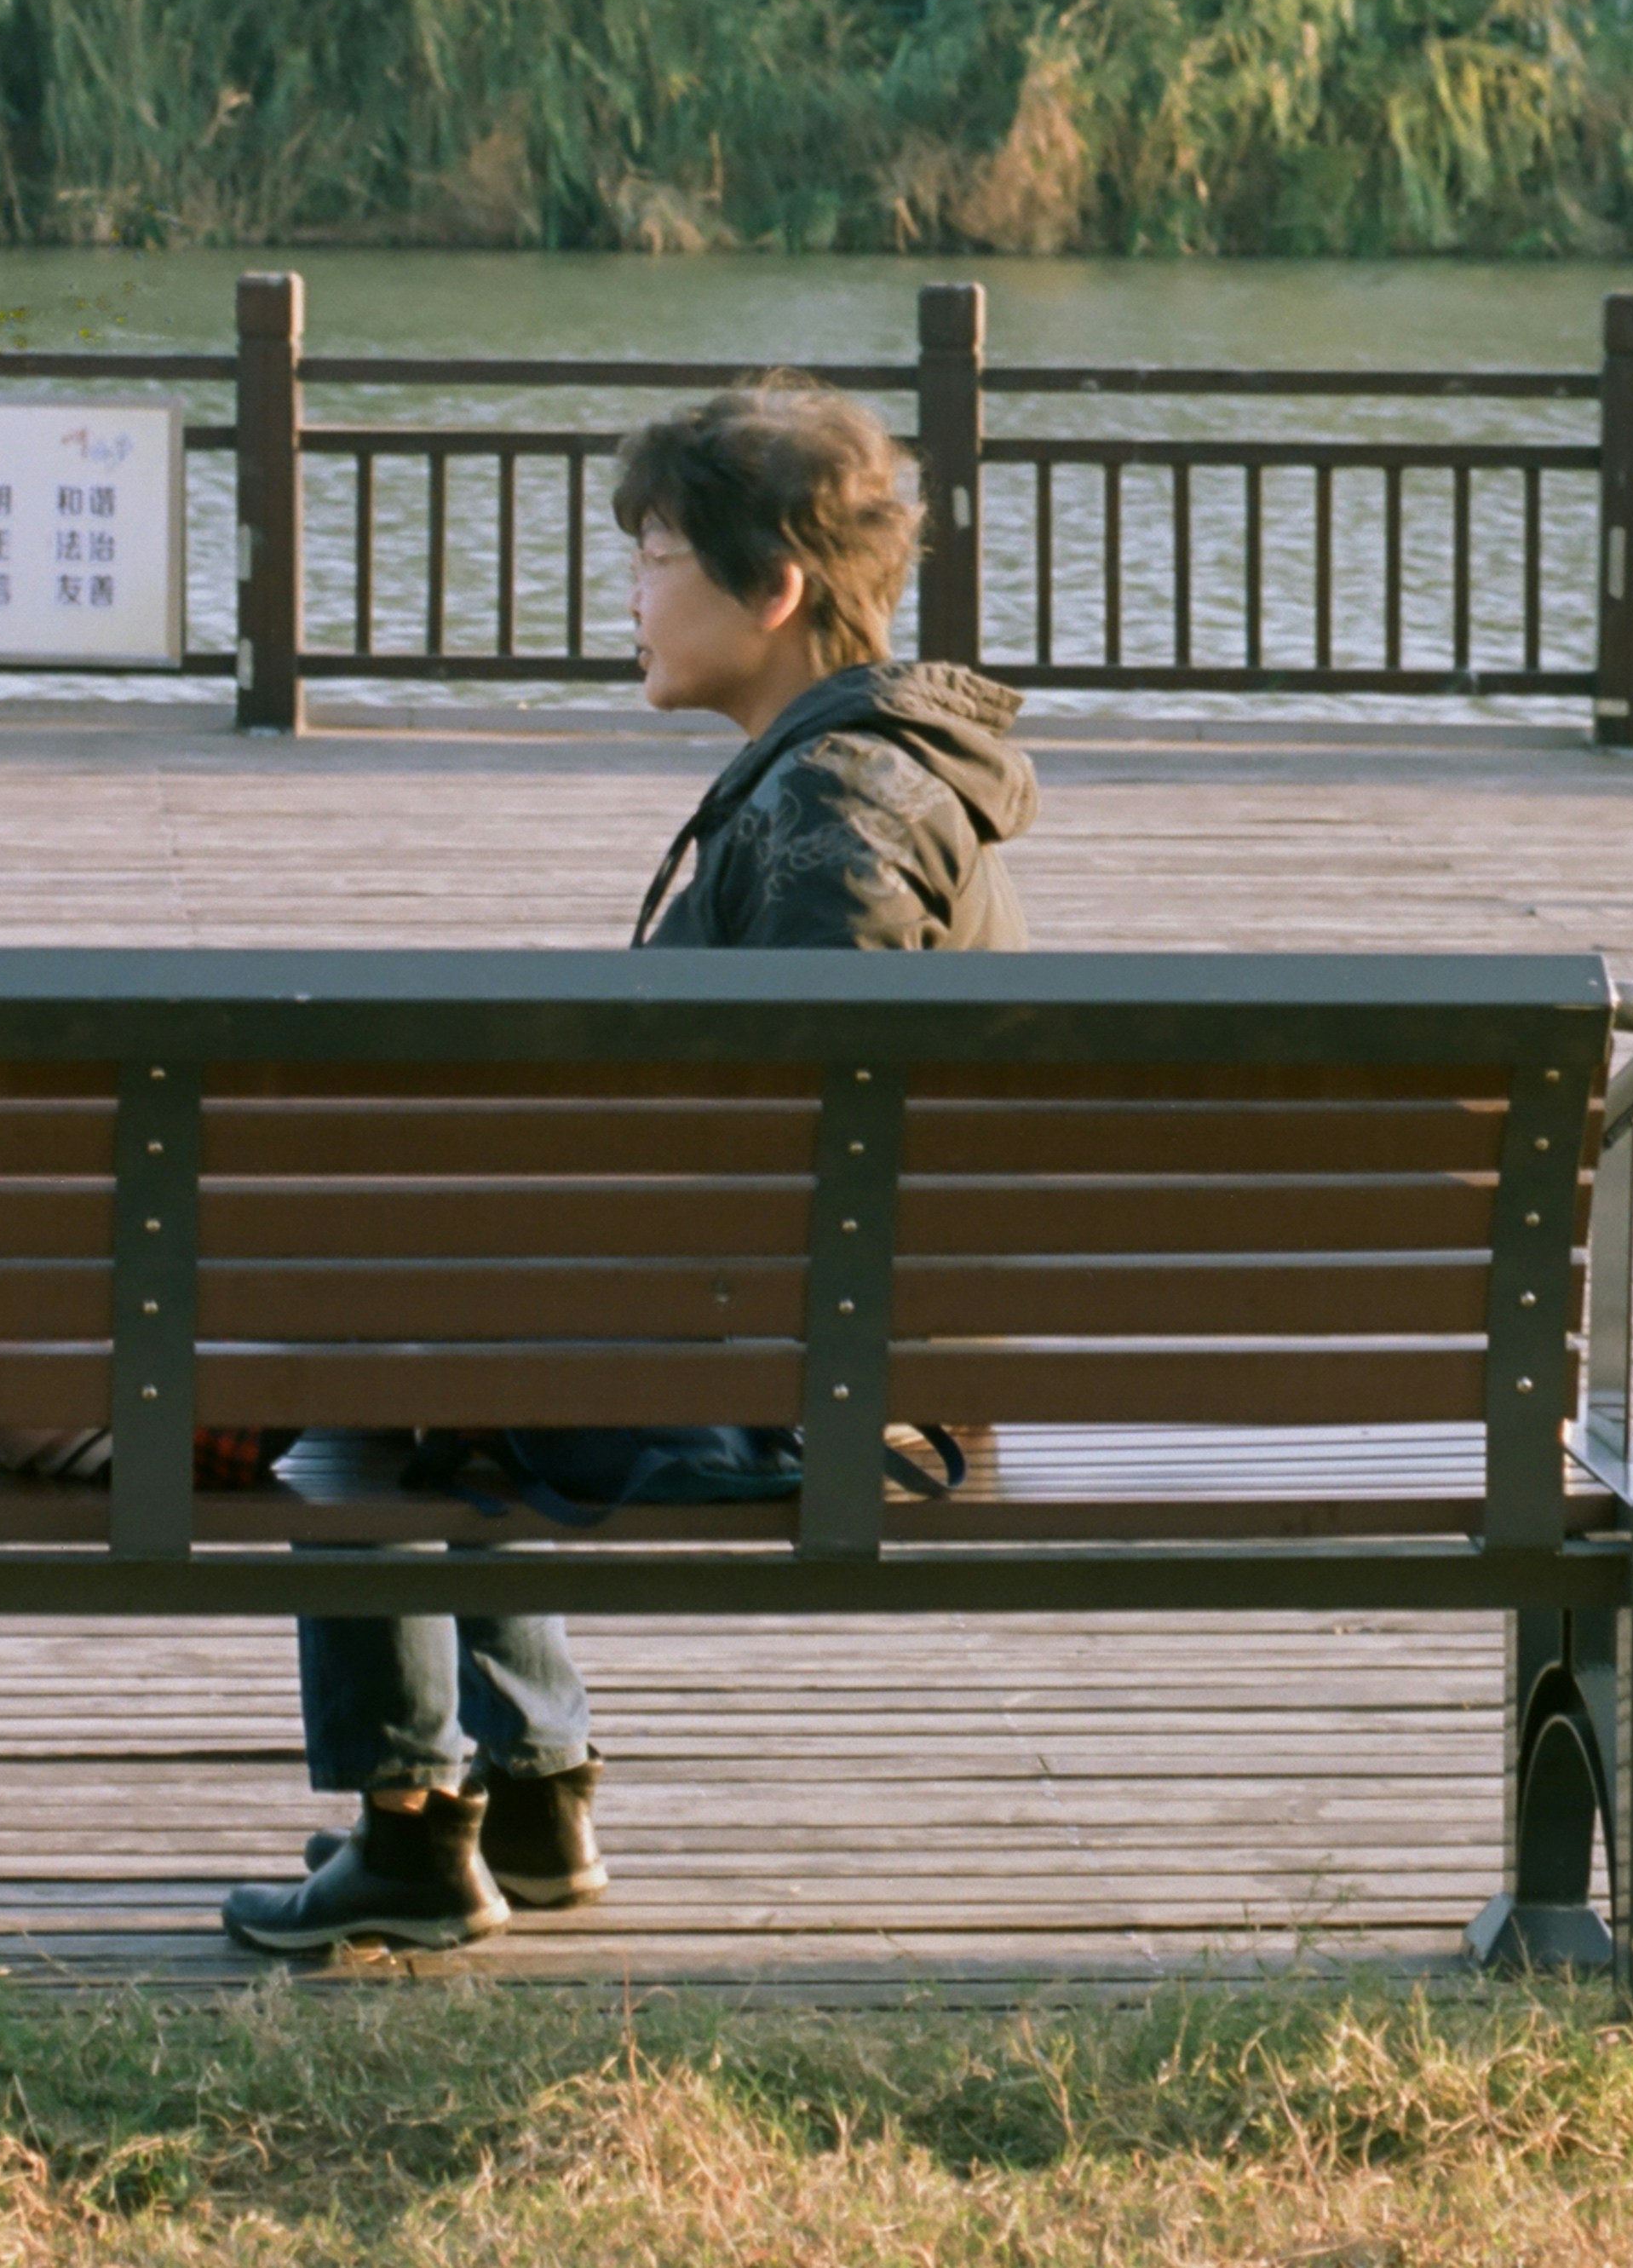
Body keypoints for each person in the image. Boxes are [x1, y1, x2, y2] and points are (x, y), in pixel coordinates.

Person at [216, 371, 1037, 1954]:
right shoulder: (872, 769)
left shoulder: (841, 808)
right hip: (844, 1340)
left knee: (354, 1330)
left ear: (773, 586)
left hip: (810, 1390)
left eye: (656, 557)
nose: (633, 596)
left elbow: (797, 1140)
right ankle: (528, 1799)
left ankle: (413, 1830)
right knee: (416, 1288)